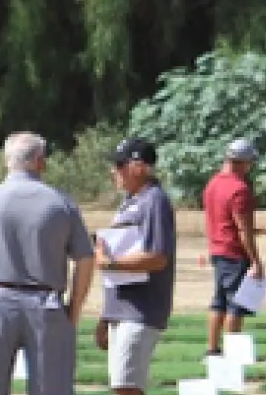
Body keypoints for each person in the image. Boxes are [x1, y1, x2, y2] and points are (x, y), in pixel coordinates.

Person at [0, 132, 95, 395]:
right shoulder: (61, 202)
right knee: (52, 388)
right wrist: (74, 307)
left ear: (6, 161)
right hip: (45, 303)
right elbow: (85, 258)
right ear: (40, 162)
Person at [93, 138, 176, 395]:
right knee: (123, 386)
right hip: (123, 310)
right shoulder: (131, 201)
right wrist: (107, 315)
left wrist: (111, 263)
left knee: (127, 387)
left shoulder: (154, 201)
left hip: (141, 310)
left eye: (119, 165)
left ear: (139, 167)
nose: (113, 171)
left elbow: (157, 257)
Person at [202, 138, 266, 357]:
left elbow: (222, 219)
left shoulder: (213, 184)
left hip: (217, 250)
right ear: (242, 162)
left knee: (218, 302)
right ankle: (233, 354)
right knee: (236, 305)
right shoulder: (239, 189)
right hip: (234, 253)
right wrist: (256, 261)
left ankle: (212, 349)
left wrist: (251, 229)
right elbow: (242, 230)